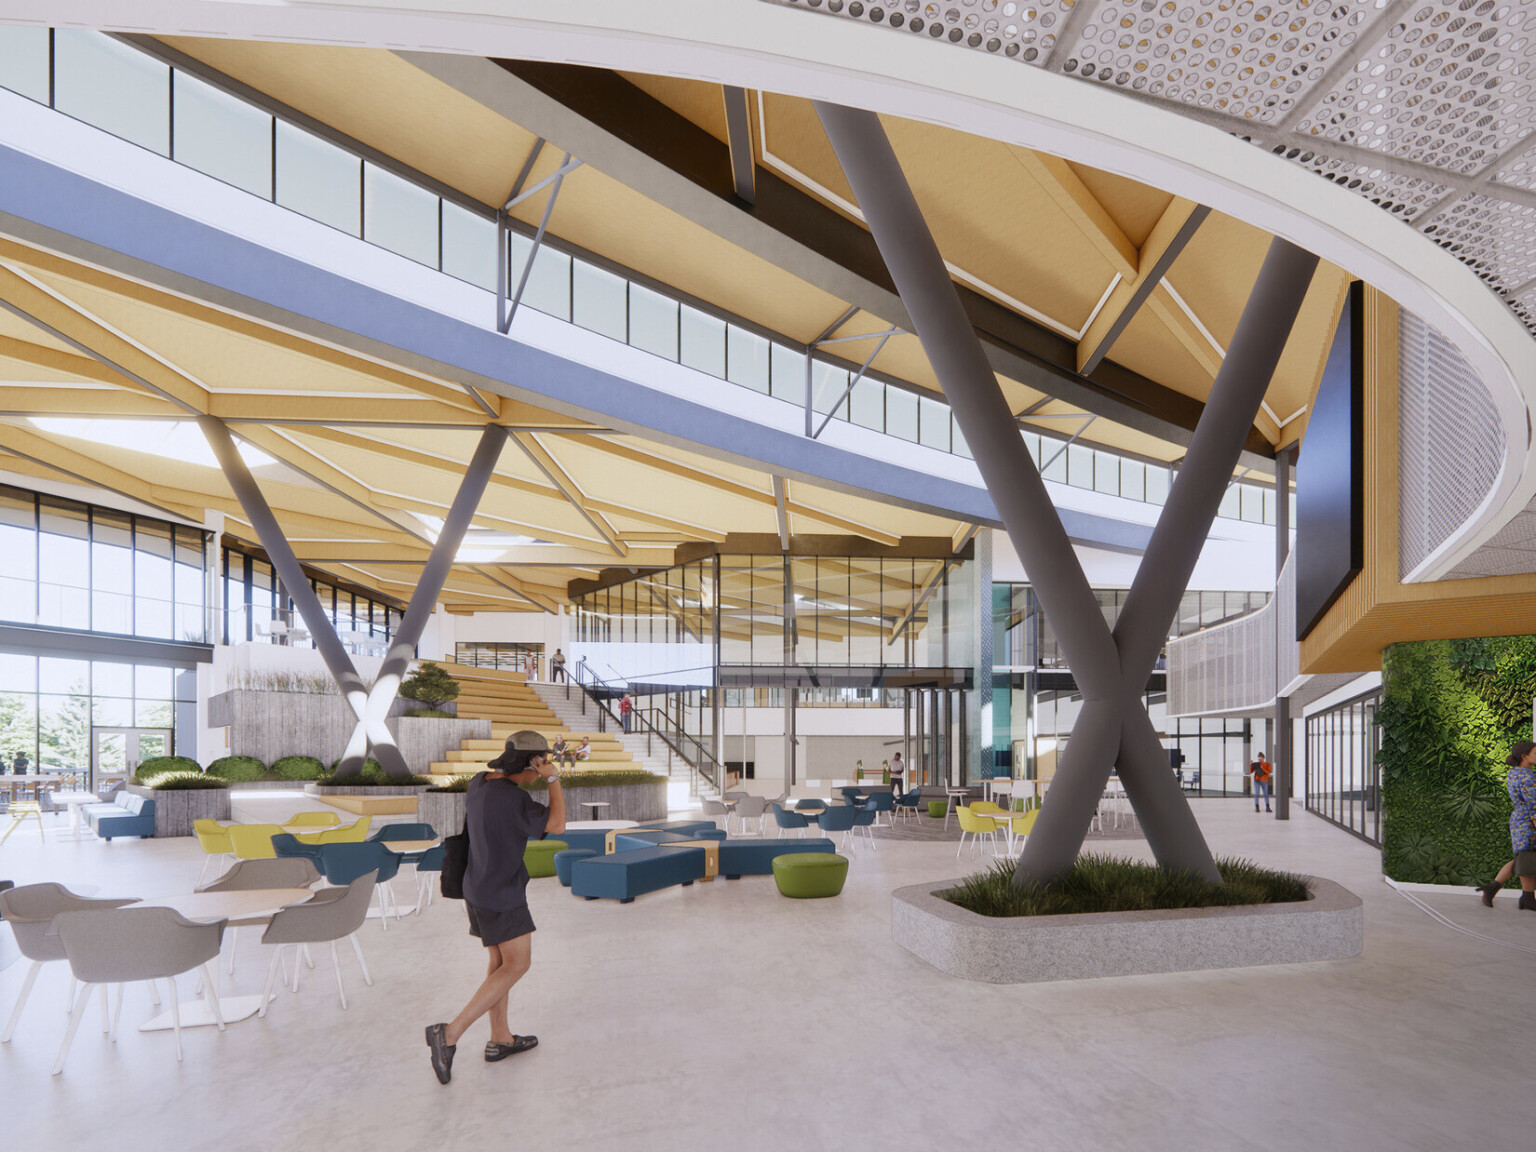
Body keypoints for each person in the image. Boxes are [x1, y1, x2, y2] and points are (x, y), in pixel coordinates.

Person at [426, 730, 565, 1085]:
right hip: (502, 894)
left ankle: (500, 1038)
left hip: (476, 888)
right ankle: (450, 1033)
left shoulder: (480, 782)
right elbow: (557, 824)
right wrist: (553, 781)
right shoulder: (514, 800)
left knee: (500, 963)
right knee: (519, 963)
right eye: (541, 763)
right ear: (532, 762)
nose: (542, 770)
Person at [1498, 741, 1536, 912]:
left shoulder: (1514, 773)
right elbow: (1534, 805)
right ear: (1524, 756)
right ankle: (1527, 898)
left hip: (1518, 820)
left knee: (1524, 859)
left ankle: (1493, 888)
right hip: (1528, 823)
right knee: (1526, 859)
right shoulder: (1527, 776)